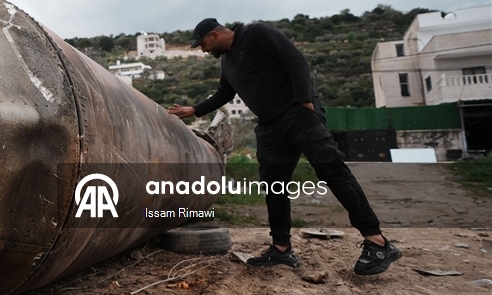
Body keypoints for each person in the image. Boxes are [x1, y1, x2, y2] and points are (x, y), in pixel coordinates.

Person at [167, 18, 401, 275]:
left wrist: (303, 99)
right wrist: (194, 110)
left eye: (203, 44)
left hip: (298, 114)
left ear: (214, 34)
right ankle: (281, 249)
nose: (203, 50)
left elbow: (295, 59)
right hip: (270, 127)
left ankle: (377, 242)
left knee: (332, 171)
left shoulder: (257, 33)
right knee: (274, 185)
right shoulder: (227, 61)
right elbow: (224, 94)